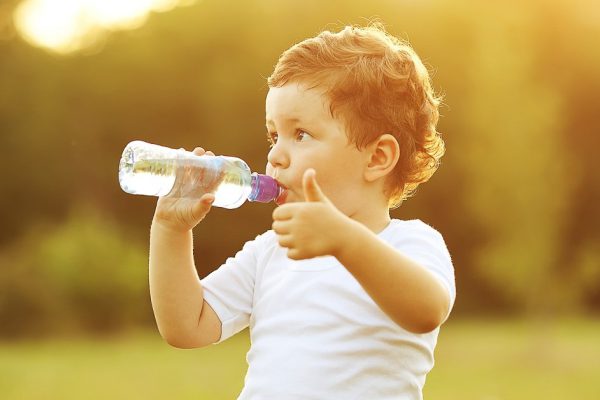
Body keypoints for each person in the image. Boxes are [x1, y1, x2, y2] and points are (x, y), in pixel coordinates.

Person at [149, 24, 455, 399]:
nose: (275, 155)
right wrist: (171, 230)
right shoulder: (271, 251)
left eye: (301, 135)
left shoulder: (410, 242)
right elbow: (187, 327)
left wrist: (343, 240)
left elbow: (426, 310)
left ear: (377, 158)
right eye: (273, 136)